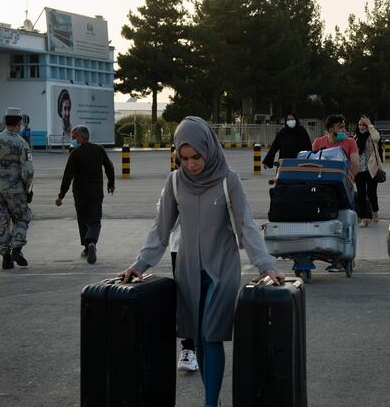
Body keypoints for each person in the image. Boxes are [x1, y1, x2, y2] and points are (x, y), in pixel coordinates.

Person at [118, 117, 284, 407]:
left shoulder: (227, 180)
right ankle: (213, 401)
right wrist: (140, 264)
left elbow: (246, 225)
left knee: (211, 336)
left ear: (208, 149)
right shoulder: (174, 182)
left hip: (221, 270)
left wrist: (265, 264)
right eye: (184, 158)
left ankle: (210, 404)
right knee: (198, 336)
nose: (191, 164)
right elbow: (160, 229)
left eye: (196, 157)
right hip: (187, 272)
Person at [54, 125, 115, 264]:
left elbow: (67, 175)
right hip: (96, 191)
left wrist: (61, 195)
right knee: (95, 219)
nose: (72, 139)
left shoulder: (75, 153)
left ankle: (87, 248)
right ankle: (92, 241)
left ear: (82, 137)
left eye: (74, 137)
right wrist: (111, 183)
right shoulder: (99, 149)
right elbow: (109, 166)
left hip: (80, 192)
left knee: (82, 219)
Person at [0, 107, 34, 270]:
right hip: (15, 190)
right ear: (18, 123)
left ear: (6, 122)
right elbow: (28, 170)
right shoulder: (21, 143)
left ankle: (5, 258)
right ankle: (17, 249)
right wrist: (27, 189)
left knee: (2, 222)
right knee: (22, 217)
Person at [169, 223, 198, 373]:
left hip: (214, 247)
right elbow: (167, 222)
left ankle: (204, 345)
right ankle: (189, 347)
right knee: (186, 298)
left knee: (210, 300)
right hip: (181, 247)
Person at [354, 114, 382, 227]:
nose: (361, 127)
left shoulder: (372, 135)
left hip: (371, 169)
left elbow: (377, 138)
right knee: (361, 194)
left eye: (363, 125)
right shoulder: (355, 137)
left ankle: (375, 211)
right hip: (359, 169)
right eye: (360, 125)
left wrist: (370, 125)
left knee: (371, 193)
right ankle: (364, 218)